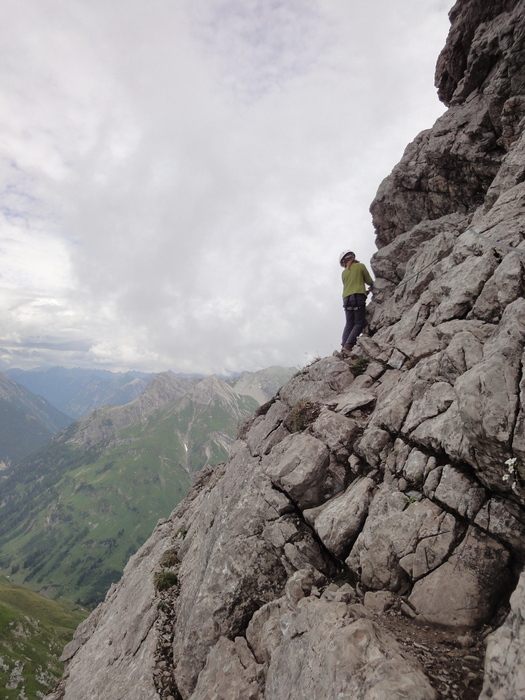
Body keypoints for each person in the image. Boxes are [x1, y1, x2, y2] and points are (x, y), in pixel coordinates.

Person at [339, 250, 373, 352]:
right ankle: (348, 345)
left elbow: (350, 285)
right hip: (358, 297)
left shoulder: (344, 273)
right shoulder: (360, 266)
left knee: (349, 323)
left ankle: (343, 346)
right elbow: (369, 281)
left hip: (346, 299)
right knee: (359, 323)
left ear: (344, 261)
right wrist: (365, 291)